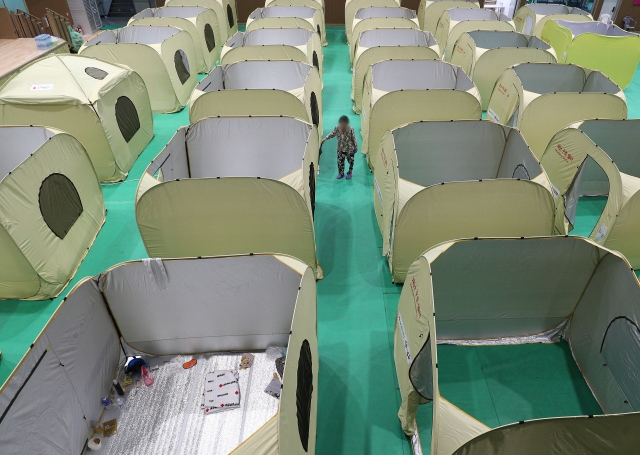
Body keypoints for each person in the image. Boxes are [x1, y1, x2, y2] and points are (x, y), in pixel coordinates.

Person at [321, 115, 358, 180]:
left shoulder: (350, 129)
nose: (343, 125)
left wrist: (355, 147)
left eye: (344, 123)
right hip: (340, 148)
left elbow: (354, 138)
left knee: (351, 161)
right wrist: (325, 139)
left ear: (347, 124)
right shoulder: (337, 128)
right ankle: (341, 173)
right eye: (342, 123)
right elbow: (332, 134)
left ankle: (349, 173)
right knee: (340, 162)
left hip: (349, 149)